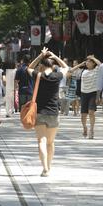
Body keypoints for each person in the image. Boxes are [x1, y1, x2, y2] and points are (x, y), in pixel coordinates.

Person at [25, 47, 68, 177]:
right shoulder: (57, 76)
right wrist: (54, 56)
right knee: (50, 142)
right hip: (54, 113)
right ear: (53, 65)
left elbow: (29, 67)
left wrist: (40, 56)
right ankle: (49, 166)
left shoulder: (38, 75)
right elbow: (66, 67)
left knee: (41, 141)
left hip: (40, 113)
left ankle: (45, 169)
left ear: (42, 66)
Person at [71, 55, 101, 139]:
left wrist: (93, 58)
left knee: (91, 112)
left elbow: (101, 65)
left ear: (93, 63)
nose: (87, 63)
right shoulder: (82, 71)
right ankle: (84, 127)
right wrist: (81, 64)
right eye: (87, 61)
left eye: (89, 61)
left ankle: (91, 129)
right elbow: (71, 70)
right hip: (84, 93)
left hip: (93, 93)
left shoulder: (96, 70)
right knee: (83, 114)